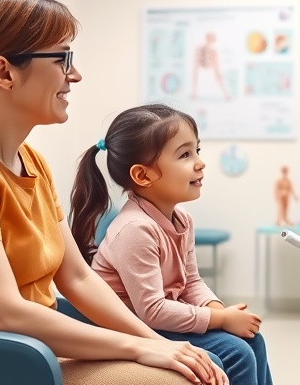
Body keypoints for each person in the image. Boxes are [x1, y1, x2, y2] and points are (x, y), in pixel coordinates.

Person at [0, 0, 226, 385]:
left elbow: (77, 277)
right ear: (4, 73)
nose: (74, 74)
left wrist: (157, 344)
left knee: (201, 365)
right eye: (62, 59)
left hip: (24, 352)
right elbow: (2, 313)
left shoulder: (31, 162)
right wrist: (140, 348)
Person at [71, 104, 273, 385]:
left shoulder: (183, 219)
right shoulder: (135, 229)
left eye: (197, 150)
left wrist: (221, 312)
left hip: (157, 321)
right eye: (185, 155)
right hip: (130, 329)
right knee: (236, 352)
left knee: (253, 340)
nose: (200, 163)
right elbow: (152, 311)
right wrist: (220, 320)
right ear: (143, 176)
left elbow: (191, 282)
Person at [191, 32, 230, 101]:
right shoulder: (199, 49)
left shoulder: (213, 51)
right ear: (206, 38)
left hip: (210, 66)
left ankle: (226, 95)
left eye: (211, 38)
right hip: (200, 66)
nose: (209, 40)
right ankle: (194, 93)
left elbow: (216, 66)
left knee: (218, 75)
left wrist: (218, 73)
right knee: (195, 73)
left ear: (213, 40)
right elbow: (195, 65)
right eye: (209, 38)